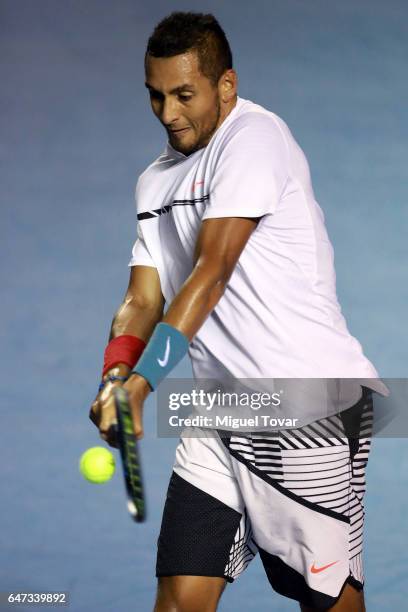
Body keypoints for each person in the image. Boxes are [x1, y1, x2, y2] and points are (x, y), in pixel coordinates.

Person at [89, 11, 388, 612]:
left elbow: (211, 272)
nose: (168, 113)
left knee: (328, 599)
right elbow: (141, 300)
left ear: (226, 85)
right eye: (155, 96)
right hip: (220, 410)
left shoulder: (254, 139)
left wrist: (146, 382)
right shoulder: (154, 184)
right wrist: (117, 374)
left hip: (307, 404)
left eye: (183, 95)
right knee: (179, 598)